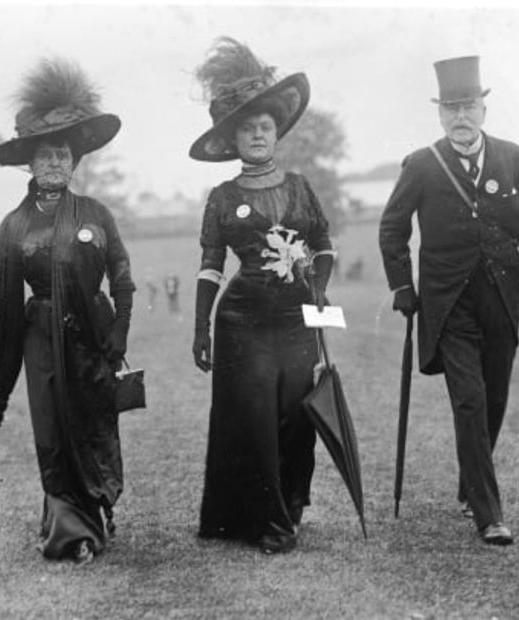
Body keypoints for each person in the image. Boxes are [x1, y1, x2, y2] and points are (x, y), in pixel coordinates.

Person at [378, 56, 519, 546]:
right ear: (441, 115)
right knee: (468, 401)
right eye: (451, 109)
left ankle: (470, 483)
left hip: (500, 299)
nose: (460, 117)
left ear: (483, 110)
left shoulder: (512, 158)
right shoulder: (422, 165)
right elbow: (392, 228)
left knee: (494, 399)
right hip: (448, 306)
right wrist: (403, 286)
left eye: (468, 106)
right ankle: (489, 514)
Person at [0, 58, 134, 564]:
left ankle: (96, 510)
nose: (55, 163)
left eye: (63, 155)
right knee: (53, 431)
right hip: (39, 338)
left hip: (92, 338)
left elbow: (122, 279)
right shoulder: (14, 225)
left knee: (91, 425)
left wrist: (119, 333)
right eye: (45, 156)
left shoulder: (97, 215)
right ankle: (68, 529)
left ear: (73, 162)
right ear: (30, 165)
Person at [189, 38, 334, 555]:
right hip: (241, 324)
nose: (256, 134)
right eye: (247, 129)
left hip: (297, 321)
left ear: (277, 133)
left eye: (265, 127)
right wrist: (201, 328)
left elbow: (323, 246)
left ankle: (291, 505)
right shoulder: (222, 199)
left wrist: (318, 288)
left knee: (298, 417)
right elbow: (210, 268)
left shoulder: (299, 187)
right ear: (233, 139)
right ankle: (269, 522)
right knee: (253, 421)